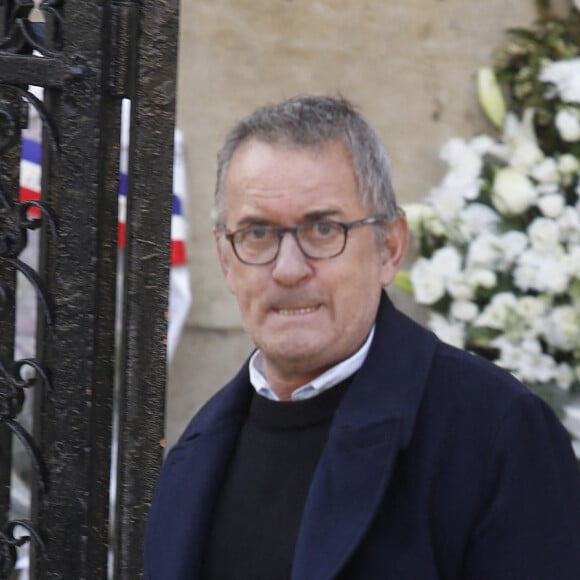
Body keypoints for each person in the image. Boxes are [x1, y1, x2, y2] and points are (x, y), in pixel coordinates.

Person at [144, 95, 580, 579]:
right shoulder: (193, 454)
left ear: (390, 248)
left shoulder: (496, 431)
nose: (288, 269)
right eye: (258, 234)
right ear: (226, 260)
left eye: (324, 229)